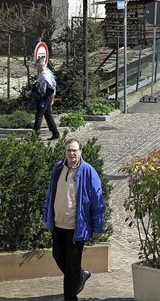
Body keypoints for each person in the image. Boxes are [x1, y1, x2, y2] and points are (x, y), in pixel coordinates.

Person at [43, 138, 104, 301]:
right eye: (69, 150)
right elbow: (50, 195)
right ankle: (80, 275)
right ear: (65, 152)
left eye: (74, 150)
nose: (71, 153)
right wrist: (46, 217)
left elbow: (97, 200)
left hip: (76, 228)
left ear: (80, 152)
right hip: (58, 224)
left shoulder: (88, 172)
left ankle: (70, 297)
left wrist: (98, 226)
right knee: (58, 255)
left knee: (71, 265)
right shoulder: (57, 168)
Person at [31, 56, 60, 140]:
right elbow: (53, 84)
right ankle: (55, 133)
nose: (37, 69)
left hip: (45, 98)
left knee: (39, 116)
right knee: (48, 116)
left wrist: (47, 98)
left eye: (37, 67)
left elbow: (51, 87)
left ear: (40, 66)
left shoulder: (44, 75)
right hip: (48, 97)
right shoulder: (48, 72)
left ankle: (34, 137)